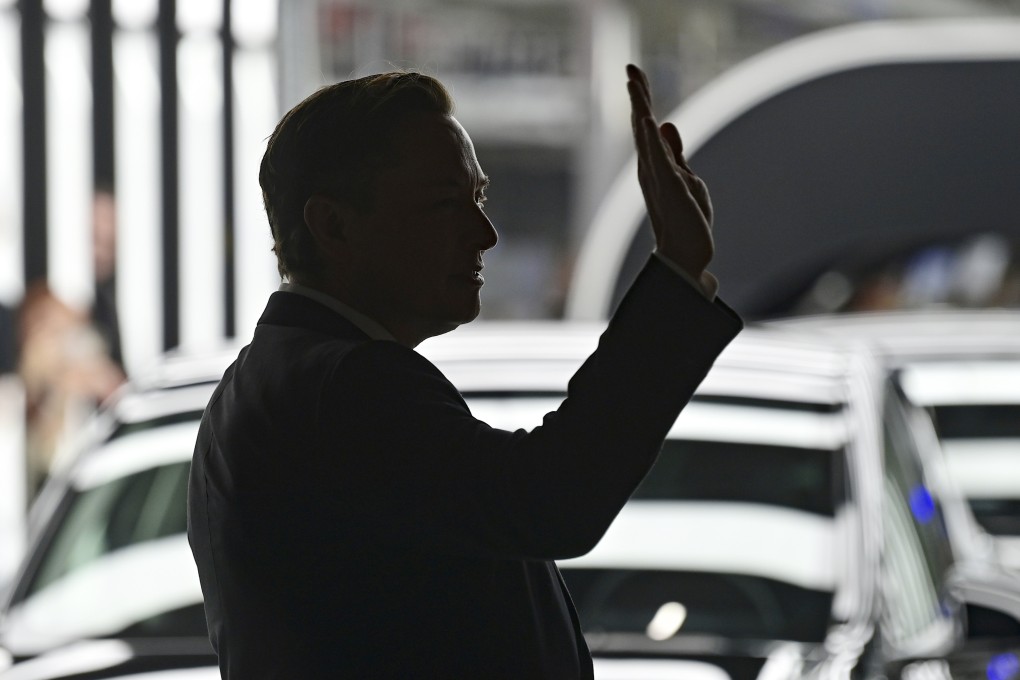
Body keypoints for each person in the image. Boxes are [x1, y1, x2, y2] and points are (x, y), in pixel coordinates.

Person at [187, 64, 742, 679]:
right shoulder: (346, 385)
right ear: (335, 226)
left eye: (477, 197)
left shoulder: (275, 383)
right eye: (445, 204)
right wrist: (677, 271)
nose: (485, 233)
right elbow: (550, 500)